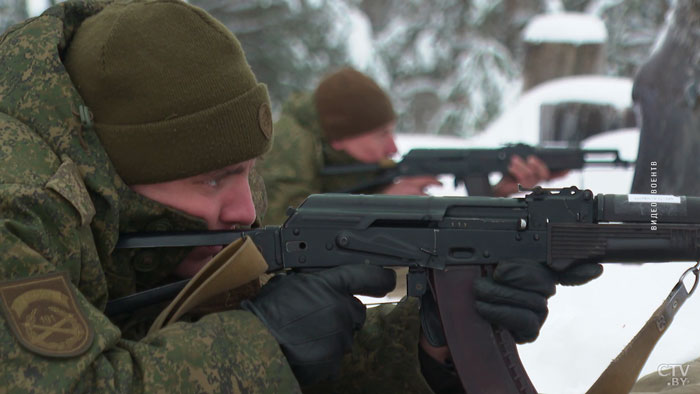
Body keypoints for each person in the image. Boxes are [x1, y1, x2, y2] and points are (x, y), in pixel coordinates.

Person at [0, 0, 601, 392]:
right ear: (117, 170)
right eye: (211, 179)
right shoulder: (17, 204)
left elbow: (195, 334)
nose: (246, 210)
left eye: (245, 173)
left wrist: (427, 341)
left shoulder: (147, 213)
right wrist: (269, 340)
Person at [258, 67, 560, 225]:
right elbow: (285, 226)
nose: (392, 147)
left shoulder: (332, 152)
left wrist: (497, 197)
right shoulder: (290, 145)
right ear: (339, 137)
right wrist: (380, 203)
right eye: (380, 135)